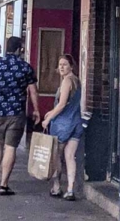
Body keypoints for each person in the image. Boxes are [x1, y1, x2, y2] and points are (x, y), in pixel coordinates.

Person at [0, 35, 40, 196]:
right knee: (11, 147)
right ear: (19, 49)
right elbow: (33, 91)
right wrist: (36, 109)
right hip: (17, 112)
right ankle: (4, 184)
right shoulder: (25, 67)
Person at [43, 54, 84, 202]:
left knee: (57, 157)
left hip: (63, 125)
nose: (61, 67)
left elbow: (61, 104)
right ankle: (71, 189)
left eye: (65, 64)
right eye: (60, 64)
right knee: (70, 156)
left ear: (71, 66)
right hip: (76, 122)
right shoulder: (77, 81)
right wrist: (51, 112)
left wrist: (48, 118)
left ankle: (56, 186)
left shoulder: (67, 81)